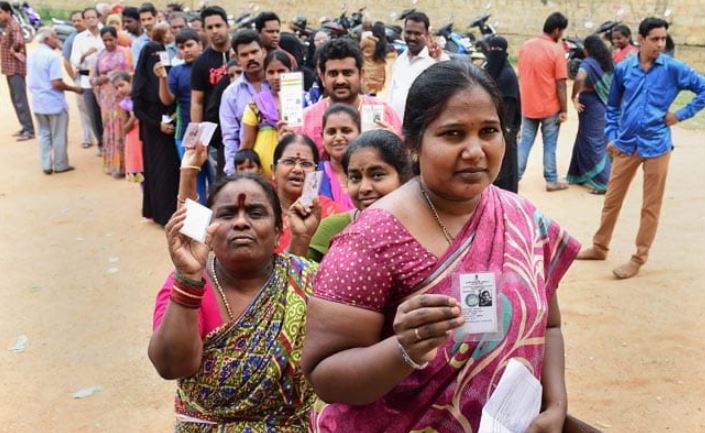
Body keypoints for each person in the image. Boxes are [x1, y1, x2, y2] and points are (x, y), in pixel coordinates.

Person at [301, 60, 581, 433]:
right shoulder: (369, 240)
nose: (475, 151)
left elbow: (551, 324)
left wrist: (556, 404)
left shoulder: (523, 218)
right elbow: (324, 375)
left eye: (488, 131)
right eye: (453, 134)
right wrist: (404, 349)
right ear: (414, 144)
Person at [149, 143, 320, 432]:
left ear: (278, 229)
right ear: (208, 230)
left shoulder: (306, 280)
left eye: (255, 213)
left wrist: (301, 240)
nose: (241, 222)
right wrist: (189, 278)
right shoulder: (186, 284)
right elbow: (171, 367)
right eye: (227, 214)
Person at [576, 17, 705, 279]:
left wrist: (680, 115)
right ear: (642, 39)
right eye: (655, 39)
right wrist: (611, 134)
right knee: (612, 199)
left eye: (663, 39)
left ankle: (638, 257)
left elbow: (703, 88)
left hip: (657, 145)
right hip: (625, 143)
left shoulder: (672, 68)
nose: (660, 44)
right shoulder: (624, 69)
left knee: (650, 205)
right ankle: (600, 246)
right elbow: (612, 106)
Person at [305, 129, 413, 262]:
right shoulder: (332, 229)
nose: (364, 188)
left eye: (377, 175)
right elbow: (297, 280)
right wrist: (300, 238)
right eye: (355, 178)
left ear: (404, 177)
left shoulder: (425, 226)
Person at [297, 38, 401, 154]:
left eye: (347, 73)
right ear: (322, 78)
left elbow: (405, 161)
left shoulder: (385, 113)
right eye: (333, 74)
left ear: (361, 75)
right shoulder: (306, 120)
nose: (340, 80)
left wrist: (396, 144)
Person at [155, 28, 212, 205]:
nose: (185, 50)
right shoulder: (177, 71)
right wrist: (163, 79)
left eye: (189, 45)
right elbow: (167, 100)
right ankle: (200, 227)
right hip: (186, 134)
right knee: (194, 180)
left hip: (213, 133)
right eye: (181, 47)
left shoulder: (210, 67)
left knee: (217, 179)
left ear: (200, 45)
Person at [517, 12, 570, 192]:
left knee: (524, 143)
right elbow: (561, 84)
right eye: (561, 31)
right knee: (550, 145)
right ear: (556, 30)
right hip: (550, 107)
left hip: (527, 105)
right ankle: (551, 180)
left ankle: (514, 177)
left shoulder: (525, 46)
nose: (561, 34)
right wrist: (564, 110)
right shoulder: (556, 50)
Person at [133, 38, 180, 226]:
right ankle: (162, 215)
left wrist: (176, 115)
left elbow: (176, 99)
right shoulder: (141, 81)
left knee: (173, 173)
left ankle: (175, 211)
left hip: (172, 130)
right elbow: (138, 110)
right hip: (153, 134)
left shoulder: (170, 76)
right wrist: (156, 125)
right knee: (158, 173)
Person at [272, 134, 343, 253]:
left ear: (316, 173)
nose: (297, 169)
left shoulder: (331, 212)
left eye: (305, 164)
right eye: (289, 162)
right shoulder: (261, 211)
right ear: (273, 170)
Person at [27, 29, 83, 174]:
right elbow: (56, 83)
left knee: (44, 134)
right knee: (58, 134)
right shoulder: (51, 56)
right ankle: (60, 164)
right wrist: (74, 89)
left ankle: (46, 164)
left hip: (38, 101)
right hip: (53, 101)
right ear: (46, 40)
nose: (57, 40)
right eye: (54, 38)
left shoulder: (32, 54)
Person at [567, 34, 614, 194]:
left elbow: (580, 77)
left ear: (587, 50)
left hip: (592, 107)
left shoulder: (588, 63)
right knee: (584, 140)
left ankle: (604, 183)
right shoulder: (605, 63)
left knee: (593, 142)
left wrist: (574, 95)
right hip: (600, 106)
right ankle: (579, 175)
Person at [220, 30, 268, 175]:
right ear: (237, 58)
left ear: (263, 52)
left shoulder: (278, 84)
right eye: (244, 55)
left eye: (254, 52)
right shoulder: (230, 94)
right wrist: (232, 172)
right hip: (248, 169)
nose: (251, 58)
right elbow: (230, 137)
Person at [190, 6, 230, 176]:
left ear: (227, 26)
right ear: (204, 31)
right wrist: (198, 137)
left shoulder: (243, 53)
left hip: (246, 128)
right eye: (210, 27)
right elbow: (197, 102)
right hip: (216, 135)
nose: (215, 31)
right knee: (220, 180)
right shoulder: (201, 63)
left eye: (218, 25)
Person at [241, 50, 292, 178]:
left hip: (296, 171)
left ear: (290, 71)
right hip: (263, 175)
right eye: (271, 72)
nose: (276, 77)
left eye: (281, 71)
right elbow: (247, 143)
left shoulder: (304, 101)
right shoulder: (256, 104)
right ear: (265, 74)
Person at [388, 11, 447, 122]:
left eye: (417, 33)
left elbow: (450, 79)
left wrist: (438, 59)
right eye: (408, 32)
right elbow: (393, 94)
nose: (412, 37)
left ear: (427, 34)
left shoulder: (436, 60)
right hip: (396, 126)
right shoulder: (400, 60)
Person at [91, 26, 133, 177]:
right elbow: (92, 78)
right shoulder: (98, 56)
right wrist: (99, 80)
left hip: (122, 95)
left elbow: (132, 72)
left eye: (111, 39)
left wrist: (115, 76)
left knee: (124, 126)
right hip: (107, 99)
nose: (108, 43)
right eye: (105, 40)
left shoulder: (126, 52)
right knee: (110, 128)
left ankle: (129, 165)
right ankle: (114, 165)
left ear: (117, 38)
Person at [484, 35, 521, 193]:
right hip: (485, 132)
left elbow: (510, 110)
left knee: (504, 178)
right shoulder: (485, 70)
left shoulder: (508, 76)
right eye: (492, 49)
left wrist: (500, 133)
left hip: (503, 134)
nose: (494, 53)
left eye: (498, 50)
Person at [70, 7, 104, 153]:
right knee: (94, 114)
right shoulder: (80, 38)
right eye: (87, 18)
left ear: (98, 17)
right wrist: (85, 54)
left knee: (110, 114)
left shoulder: (106, 32)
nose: (91, 20)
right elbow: (75, 62)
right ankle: (101, 143)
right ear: (84, 20)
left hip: (106, 80)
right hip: (88, 82)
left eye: (93, 17)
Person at [0, 1, 34, 141]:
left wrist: (12, 51)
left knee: (20, 99)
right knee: (15, 99)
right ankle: (24, 126)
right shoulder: (7, 26)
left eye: (0, 12)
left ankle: (29, 130)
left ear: (8, 12)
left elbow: (19, 42)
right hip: (10, 68)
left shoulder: (13, 26)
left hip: (15, 68)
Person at [62, 10, 95, 149]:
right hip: (82, 77)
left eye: (79, 20)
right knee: (84, 109)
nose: (76, 23)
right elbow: (66, 61)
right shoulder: (71, 39)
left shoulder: (94, 36)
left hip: (96, 78)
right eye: (73, 21)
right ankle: (87, 138)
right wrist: (74, 78)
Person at [318, 104, 361, 210]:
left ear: (360, 134)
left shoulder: (371, 173)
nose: (338, 138)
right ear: (322, 137)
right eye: (331, 132)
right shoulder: (314, 174)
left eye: (346, 131)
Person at [112, 72, 144, 183]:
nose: (119, 90)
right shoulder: (123, 104)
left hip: (146, 138)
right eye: (116, 88)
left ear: (130, 82)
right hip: (134, 141)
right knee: (141, 175)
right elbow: (125, 129)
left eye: (121, 85)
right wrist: (133, 117)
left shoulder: (143, 97)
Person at [360, 22, 388, 96]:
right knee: (373, 97)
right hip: (379, 75)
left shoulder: (367, 41)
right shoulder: (383, 44)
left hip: (367, 73)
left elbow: (358, 49)